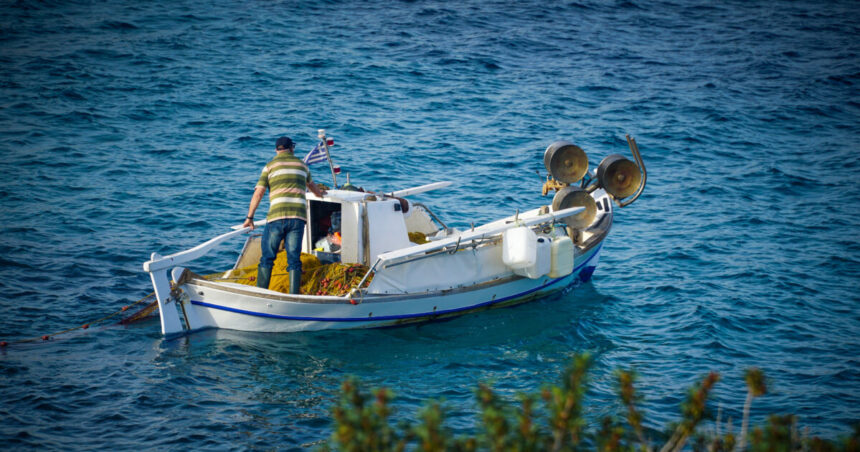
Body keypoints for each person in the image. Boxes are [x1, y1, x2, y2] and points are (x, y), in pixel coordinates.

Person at [242, 136, 327, 294]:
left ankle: (261, 294)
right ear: (291, 148)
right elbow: (313, 188)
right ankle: (294, 296)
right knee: (294, 260)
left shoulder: (269, 166)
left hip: (276, 217)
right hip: (297, 218)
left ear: (276, 150)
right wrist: (321, 194)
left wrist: (250, 217)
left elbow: (258, 193)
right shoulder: (302, 165)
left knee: (267, 257)